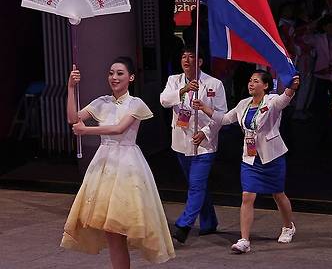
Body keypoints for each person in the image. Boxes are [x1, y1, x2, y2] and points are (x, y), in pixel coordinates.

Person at [62, 58, 175, 267]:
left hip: (127, 166)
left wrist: (86, 130)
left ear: (131, 77)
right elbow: (73, 117)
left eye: (120, 73)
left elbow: (118, 129)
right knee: (111, 232)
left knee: (120, 227)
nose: (114, 77)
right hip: (104, 165)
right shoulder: (101, 102)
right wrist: (70, 87)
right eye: (111, 73)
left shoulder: (136, 103)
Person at [194, 71, 300, 254]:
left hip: (272, 157)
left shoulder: (272, 101)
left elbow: (285, 98)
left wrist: (292, 87)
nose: (251, 84)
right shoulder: (243, 104)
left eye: (256, 81)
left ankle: (288, 226)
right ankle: (244, 240)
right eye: (250, 80)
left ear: (265, 86)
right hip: (250, 158)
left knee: (278, 194)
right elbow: (225, 119)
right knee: (247, 196)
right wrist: (204, 108)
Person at [159, 46, 228, 243]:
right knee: (197, 185)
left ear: (200, 62)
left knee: (196, 186)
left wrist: (205, 133)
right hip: (181, 142)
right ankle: (209, 223)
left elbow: (221, 115)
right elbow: (164, 100)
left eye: (191, 57)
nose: (187, 60)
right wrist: (184, 90)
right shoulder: (174, 80)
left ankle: (183, 225)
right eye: (183, 56)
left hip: (204, 144)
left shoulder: (215, 84)